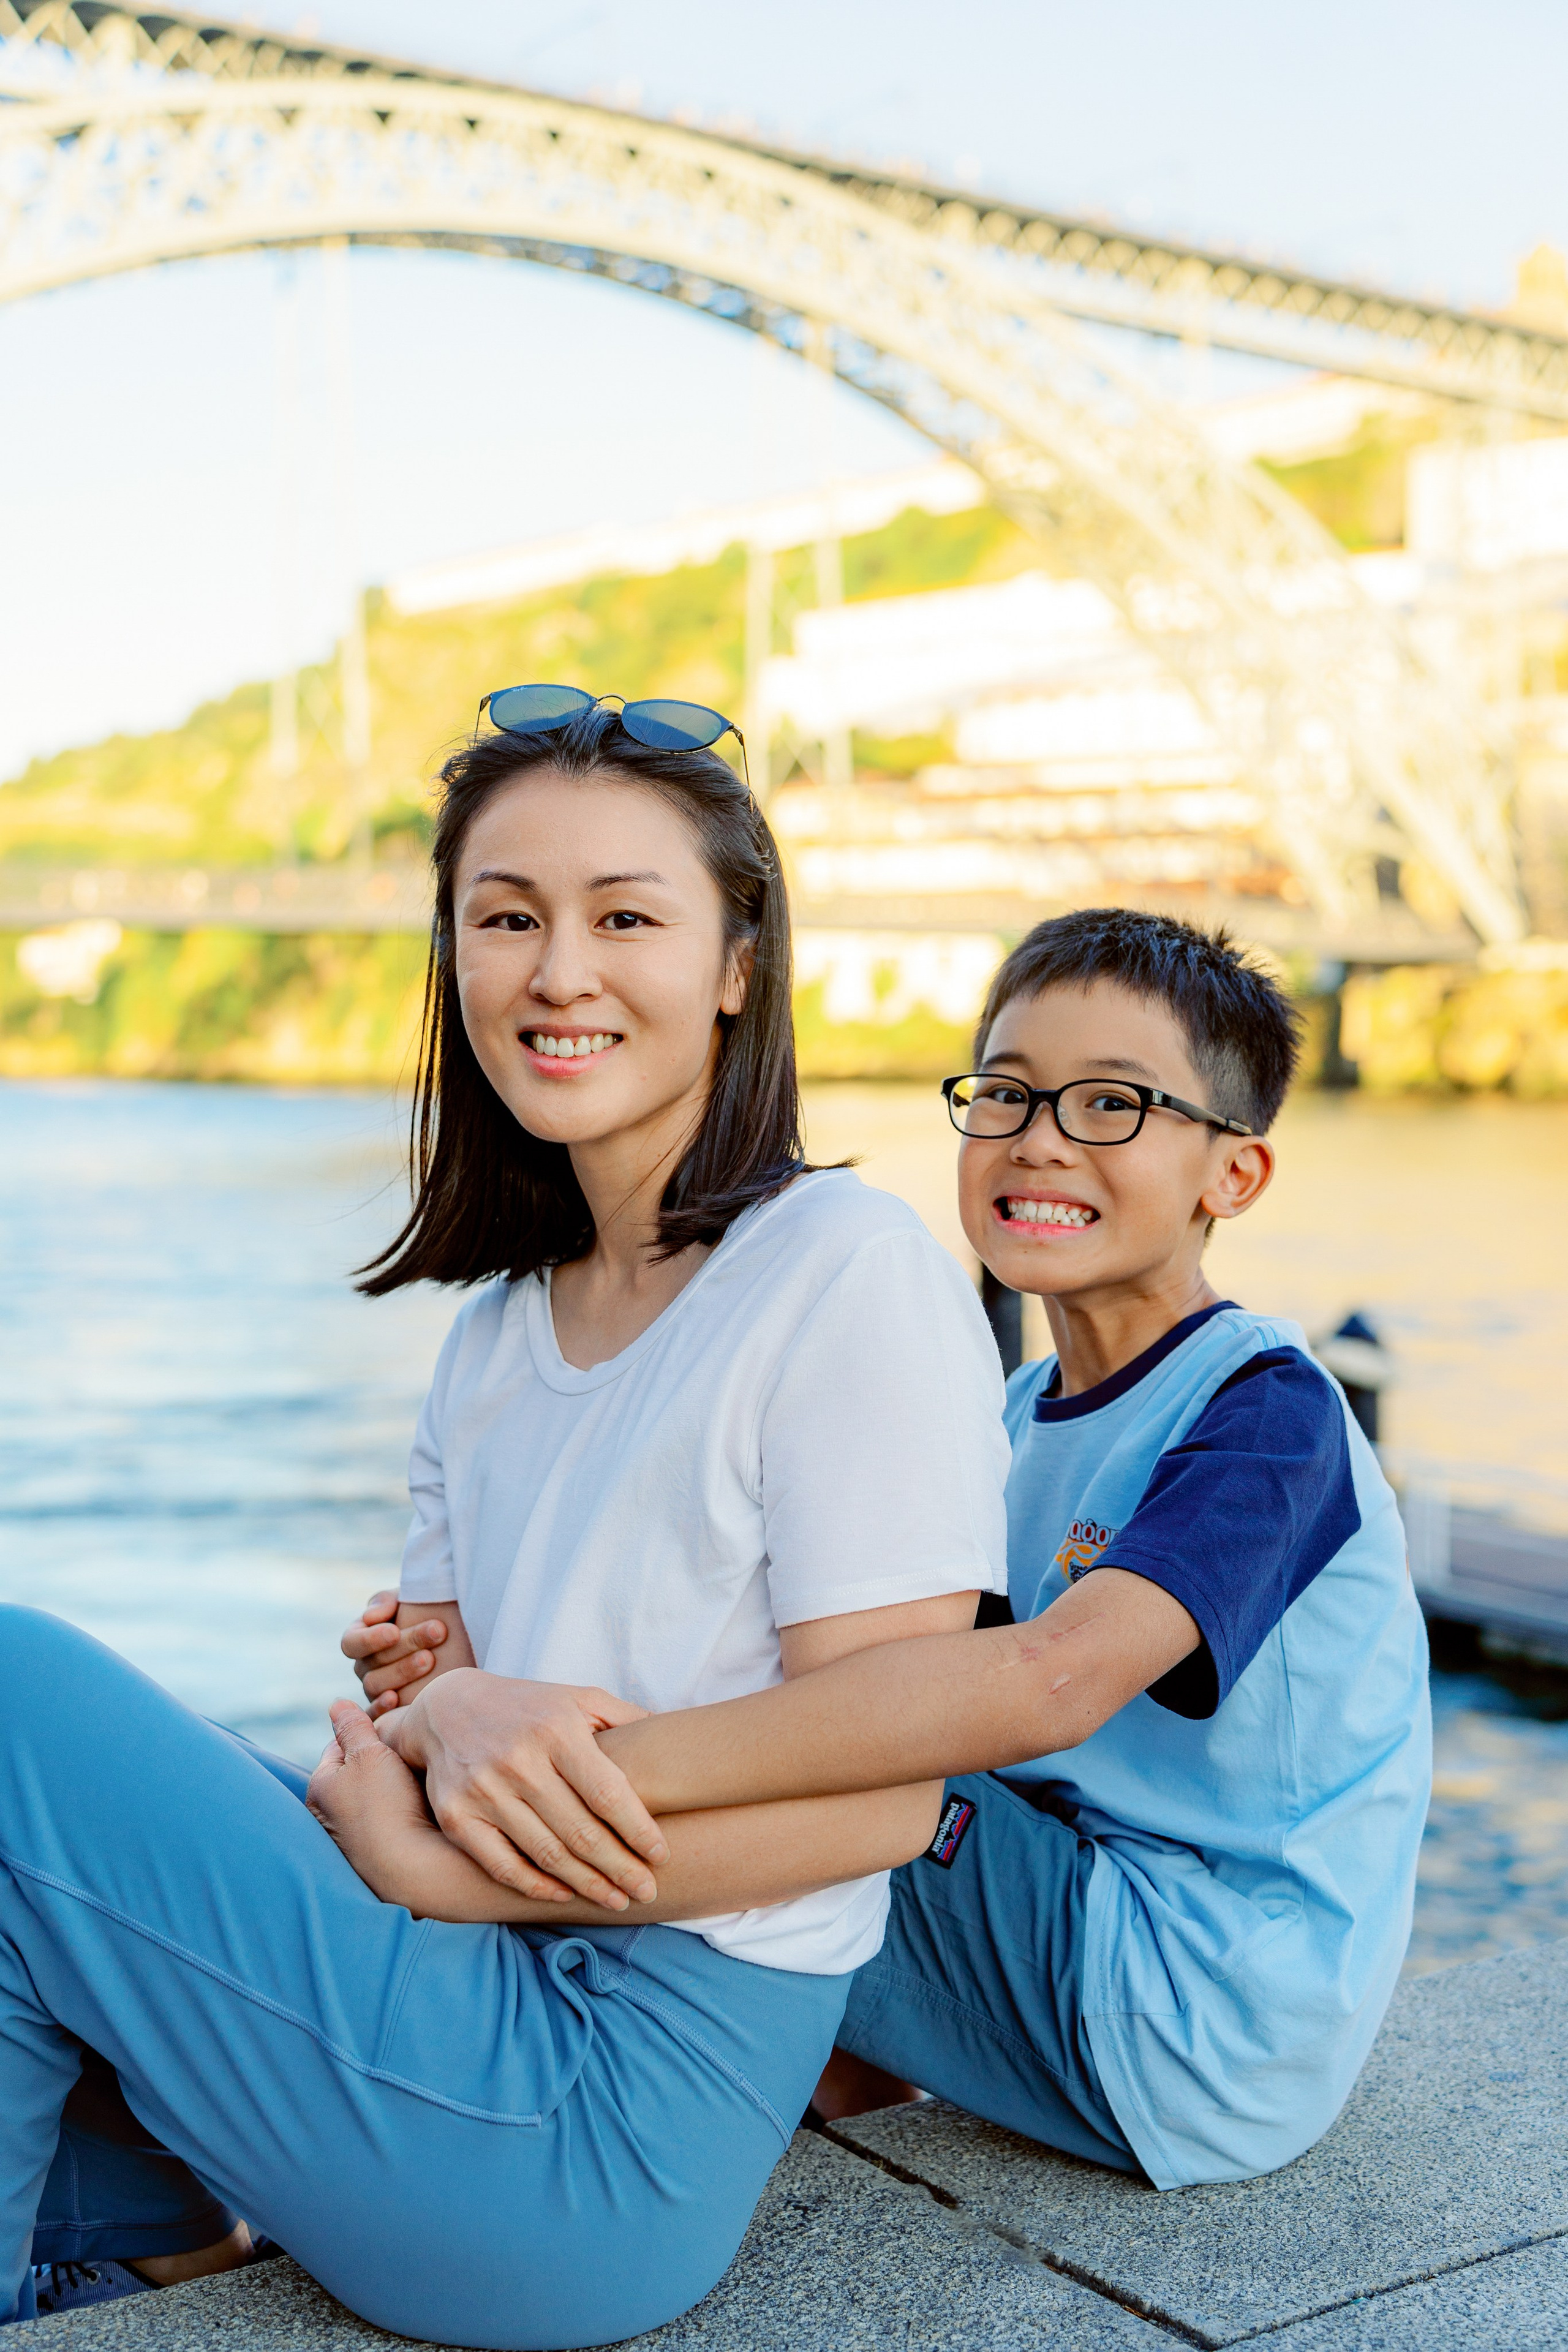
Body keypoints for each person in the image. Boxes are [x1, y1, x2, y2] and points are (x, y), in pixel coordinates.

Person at [0, 695, 1011, 2343]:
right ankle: (132, 2244)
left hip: (606, 2126)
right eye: (507, 917)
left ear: (737, 965)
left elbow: (880, 1807)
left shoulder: (845, 1271)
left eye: (627, 917)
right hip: (483, 2021)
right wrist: (450, 1696)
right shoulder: (490, 1344)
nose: (559, 971)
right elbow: (440, 1723)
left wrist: (459, 1876)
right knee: (47, 1835)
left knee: (13, 1697)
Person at [350, 908, 1430, 2195]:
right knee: (798, 1668)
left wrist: (562, 1765)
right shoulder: (1010, 1416)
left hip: (1200, 2006)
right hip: (1071, 1944)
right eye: (1007, 1095)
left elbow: (1046, 1688)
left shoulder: (1264, 1414)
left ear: (1231, 1176)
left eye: (1109, 1107)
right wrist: (461, 1667)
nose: (1039, 1139)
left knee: (835, 1750)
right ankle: (781, 2085)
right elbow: (897, 1686)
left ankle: (485, 1893)